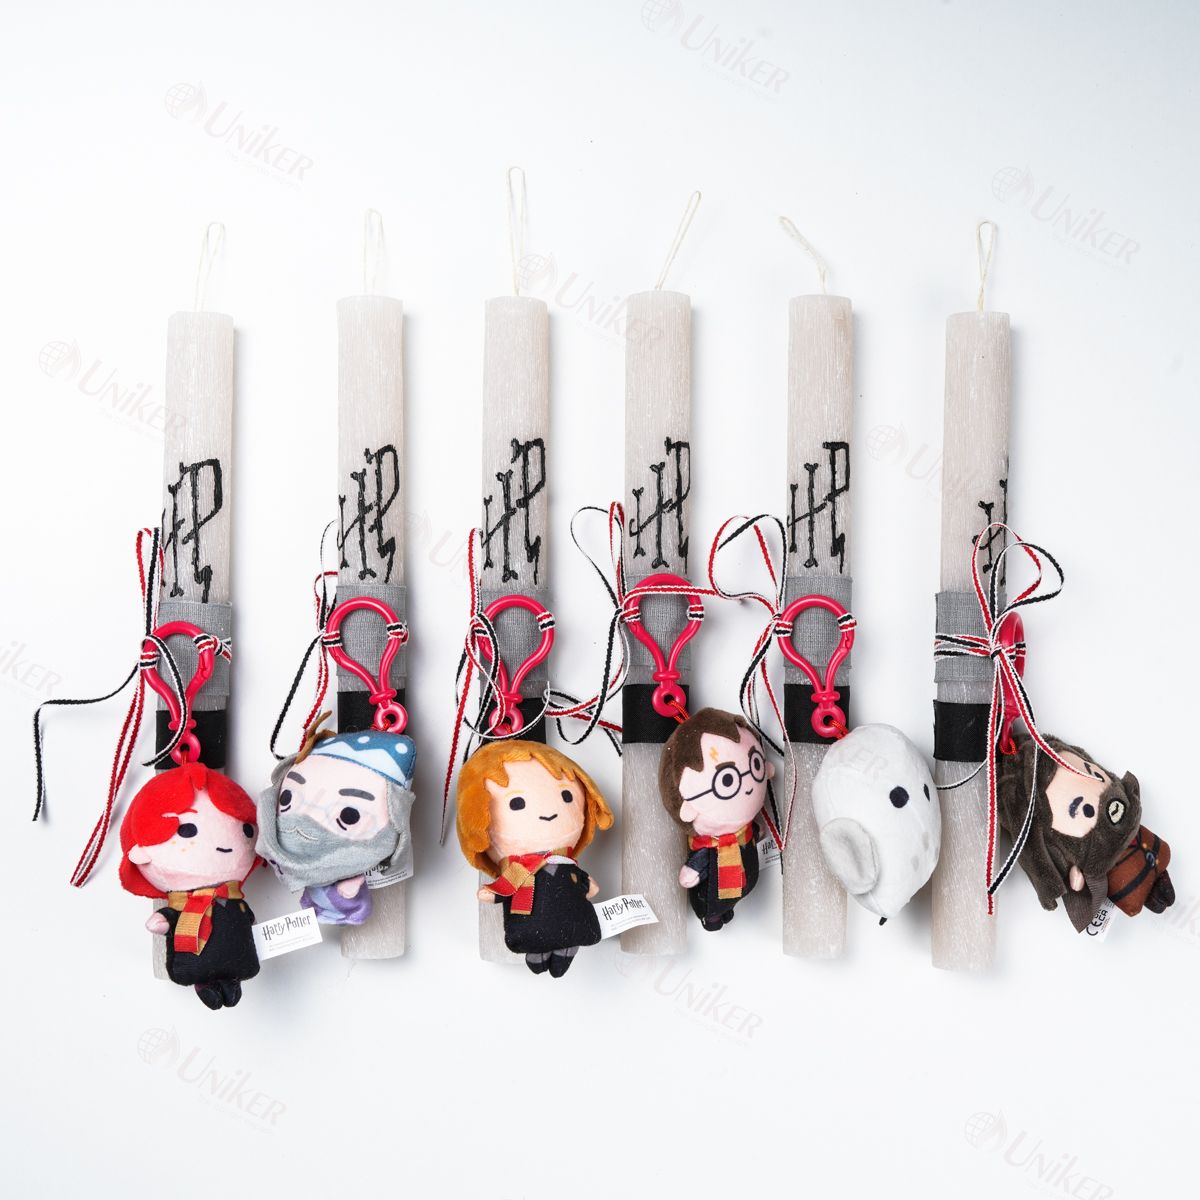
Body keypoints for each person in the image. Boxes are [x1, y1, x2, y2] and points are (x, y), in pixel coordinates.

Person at [457, 741, 613, 977]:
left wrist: (586, 884)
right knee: (538, 933)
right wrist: (494, 892)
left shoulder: (566, 863)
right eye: (516, 802)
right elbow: (505, 887)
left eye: (567, 795)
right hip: (531, 923)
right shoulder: (520, 869)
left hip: (572, 914)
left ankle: (565, 951)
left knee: (575, 929)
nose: (547, 812)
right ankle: (539, 952)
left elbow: (581, 882)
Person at [119, 760, 260, 1009]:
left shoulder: (233, 896)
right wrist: (163, 920)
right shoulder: (188, 904)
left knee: (237, 959)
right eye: (187, 830)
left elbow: (247, 917)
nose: (223, 845)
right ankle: (204, 985)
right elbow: (167, 918)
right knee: (198, 964)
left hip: (238, 951)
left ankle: (231, 983)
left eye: (246, 830)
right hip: (198, 954)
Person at [659, 708, 772, 931]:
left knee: (727, 898)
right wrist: (691, 871)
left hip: (744, 882)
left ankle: (726, 908)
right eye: (727, 781)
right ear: (688, 808)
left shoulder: (745, 830)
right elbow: (695, 867)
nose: (748, 787)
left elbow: (755, 832)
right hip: (714, 893)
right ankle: (713, 917)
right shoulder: (709, 845)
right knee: (713, 902)